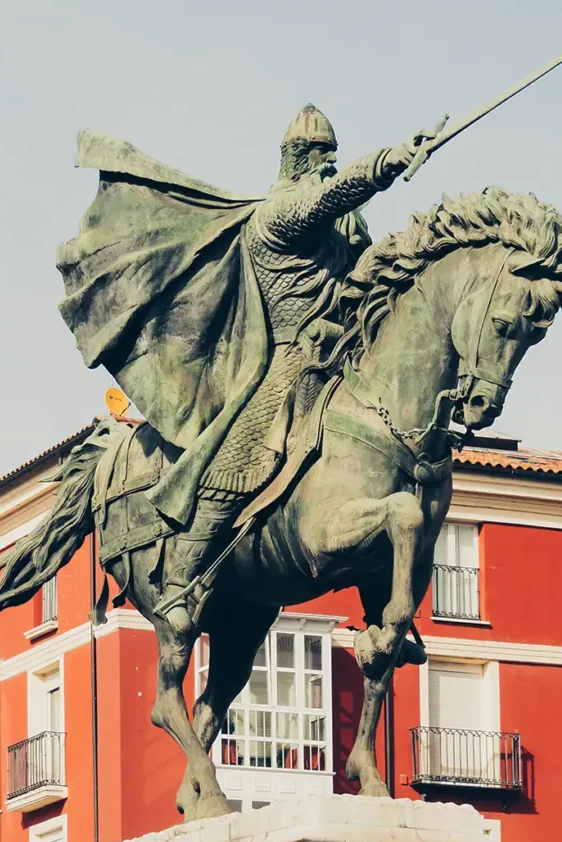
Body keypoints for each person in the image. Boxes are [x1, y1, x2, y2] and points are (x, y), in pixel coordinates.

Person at [57, 105, 446, 632]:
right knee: (242, 457)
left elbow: (370, 274)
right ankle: (182, 578)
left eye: (334, 156)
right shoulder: (278, 215)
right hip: (282, 364)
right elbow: (333, 195)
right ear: (297, 159)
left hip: (339, 358)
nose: (329, 165)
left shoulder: (336, 230)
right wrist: (389, 162)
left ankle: (389, 603)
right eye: (321, 156)